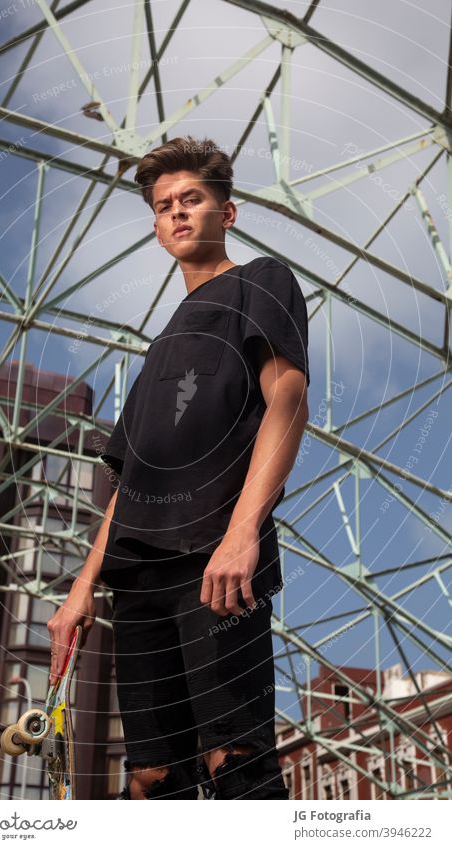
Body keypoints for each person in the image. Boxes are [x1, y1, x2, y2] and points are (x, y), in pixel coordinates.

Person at [47, 135, 310, 799]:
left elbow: (288, 397)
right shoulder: (160, 348)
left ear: (228, 212)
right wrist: (81, 589)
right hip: (137, 581)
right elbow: (128, 484)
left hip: (214, 561)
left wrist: (243, 530)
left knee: (235, 758)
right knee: (149, 776)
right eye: (163, 205)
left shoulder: (262, 282)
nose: (177, 213)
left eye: (191, 198)